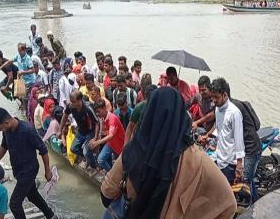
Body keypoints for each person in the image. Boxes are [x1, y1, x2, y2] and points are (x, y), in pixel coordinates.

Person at [101, 87, 237, 219]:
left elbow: (106, 194)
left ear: (149, 113)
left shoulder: (134, 150)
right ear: (182, 116)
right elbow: (229, 203)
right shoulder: (198, 160)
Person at [0, 107, 56, 219]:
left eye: (0, 128)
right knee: (32, 195)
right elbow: (3, 146)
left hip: (29, 170)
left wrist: (47, 170)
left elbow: (43, 150)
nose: (0, 130)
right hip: (18, 170)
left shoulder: (27, 130)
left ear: (6, 122)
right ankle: (51, 215)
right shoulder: (7, 131)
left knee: (14, 204)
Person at [207, 78, 244, 185]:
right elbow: (219, 130)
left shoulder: (234, 113)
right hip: (219, 157)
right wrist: (210, 139)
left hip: (229, 163)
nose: (213, 100)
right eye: (212, 97)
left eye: (216, 97)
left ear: (224, 95)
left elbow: (239, 141)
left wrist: (239, 166)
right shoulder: (218, 109)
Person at [58, 90, 100, 169]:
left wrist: (95, 138)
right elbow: (65, 116)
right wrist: (60, 130)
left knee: (86, 152)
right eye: (71, 101)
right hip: (81, 130)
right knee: (73, 149)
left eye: (73, 102)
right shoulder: (71, 106)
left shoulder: (88, 108)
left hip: (91, 131)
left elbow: (97, 123)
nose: (71, 104)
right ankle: (87, 158)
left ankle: (94, 165)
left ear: (80, 100)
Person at [0, 43, 36, 114]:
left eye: (20, 51)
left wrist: (22, 72)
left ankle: (28, 112)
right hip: (22, 81)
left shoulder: (28, 59)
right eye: (18, 51)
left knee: (25, 98)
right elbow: (9, 61)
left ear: (24, 50)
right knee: (20, 95)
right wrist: (1, 67)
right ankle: (27, 109)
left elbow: (32, 70)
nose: (19, 52)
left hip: (29, 82)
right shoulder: (18, 56)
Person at [92, 99, 125, 172]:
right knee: (100, 159)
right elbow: (104, 132)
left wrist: (98, 142)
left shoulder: (112, 118)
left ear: (104, 108)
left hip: (120, 145)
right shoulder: (103, 117)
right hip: (111, 143)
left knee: (124, 167)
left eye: (98, 111)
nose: (97, 114)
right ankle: (111, 174)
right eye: (96, 112)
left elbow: (111, 135)